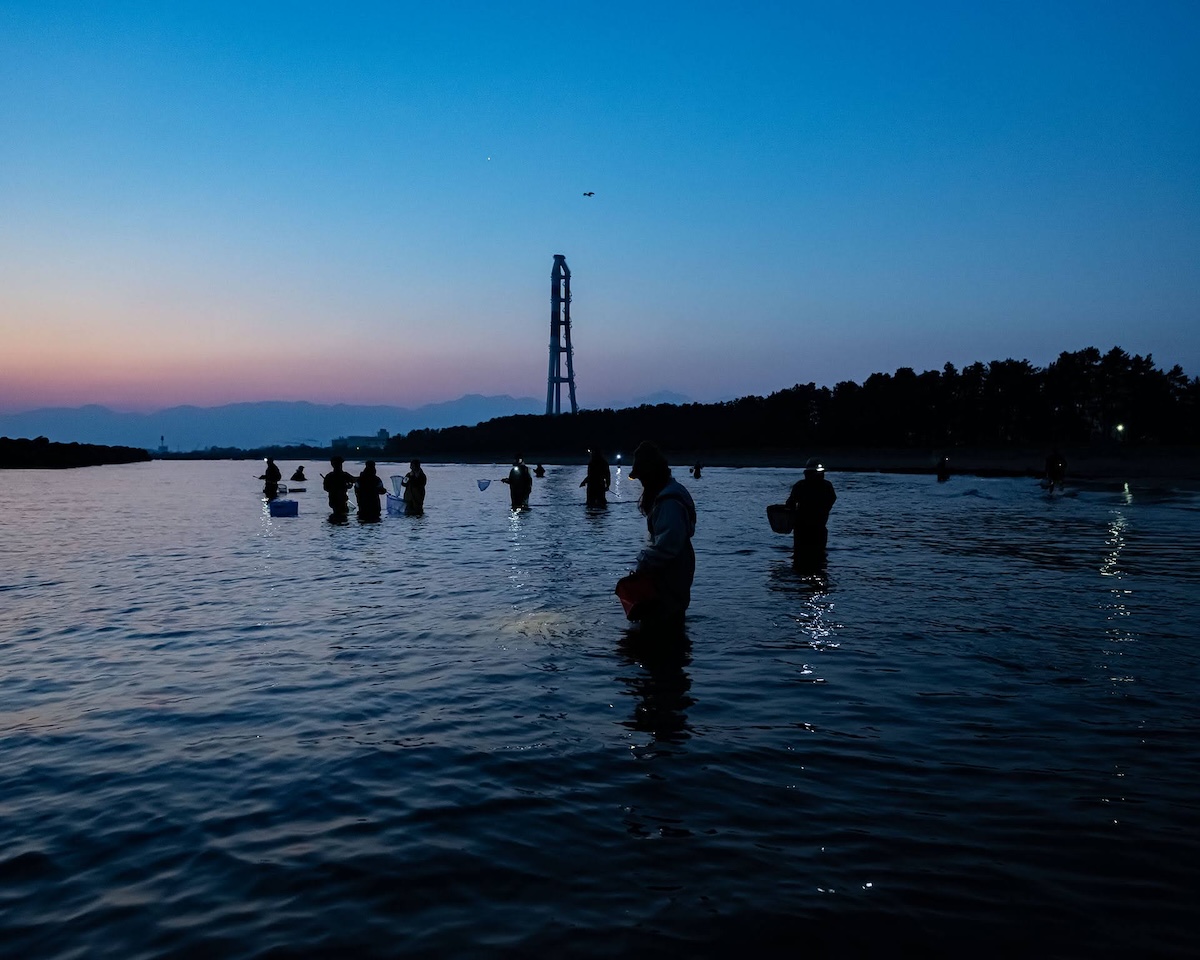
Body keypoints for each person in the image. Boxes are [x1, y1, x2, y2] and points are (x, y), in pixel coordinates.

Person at [626, 441, 697, 623]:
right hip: (675, 571)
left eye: (642, 478)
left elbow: (667, 547)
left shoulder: (668, 503)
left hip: (671, 575)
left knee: (663, 626)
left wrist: (643, 562)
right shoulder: (674, 491)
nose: (642, 484)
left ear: (651, 475)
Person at [785, 457, 837, 565]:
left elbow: (831, 499)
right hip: (805, 527)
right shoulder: (801, 486)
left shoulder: (825, 486)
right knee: (811, 556)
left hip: (815, 526)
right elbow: (791, 502)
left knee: (809, 555)